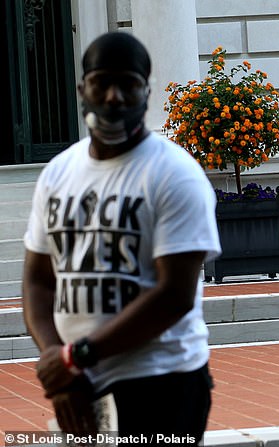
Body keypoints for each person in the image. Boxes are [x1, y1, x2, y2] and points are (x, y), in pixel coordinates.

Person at [22, 32, 221, 443]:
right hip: (80, 384)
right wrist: (56, 362)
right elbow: (38, 280)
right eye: (101, 82)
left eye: (128, 84)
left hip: (162, 383)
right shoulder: (57, 174)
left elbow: (174, 295)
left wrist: (75, 357)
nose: (113, 97)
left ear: (146, 92)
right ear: (83, 89)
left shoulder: (174, 174)